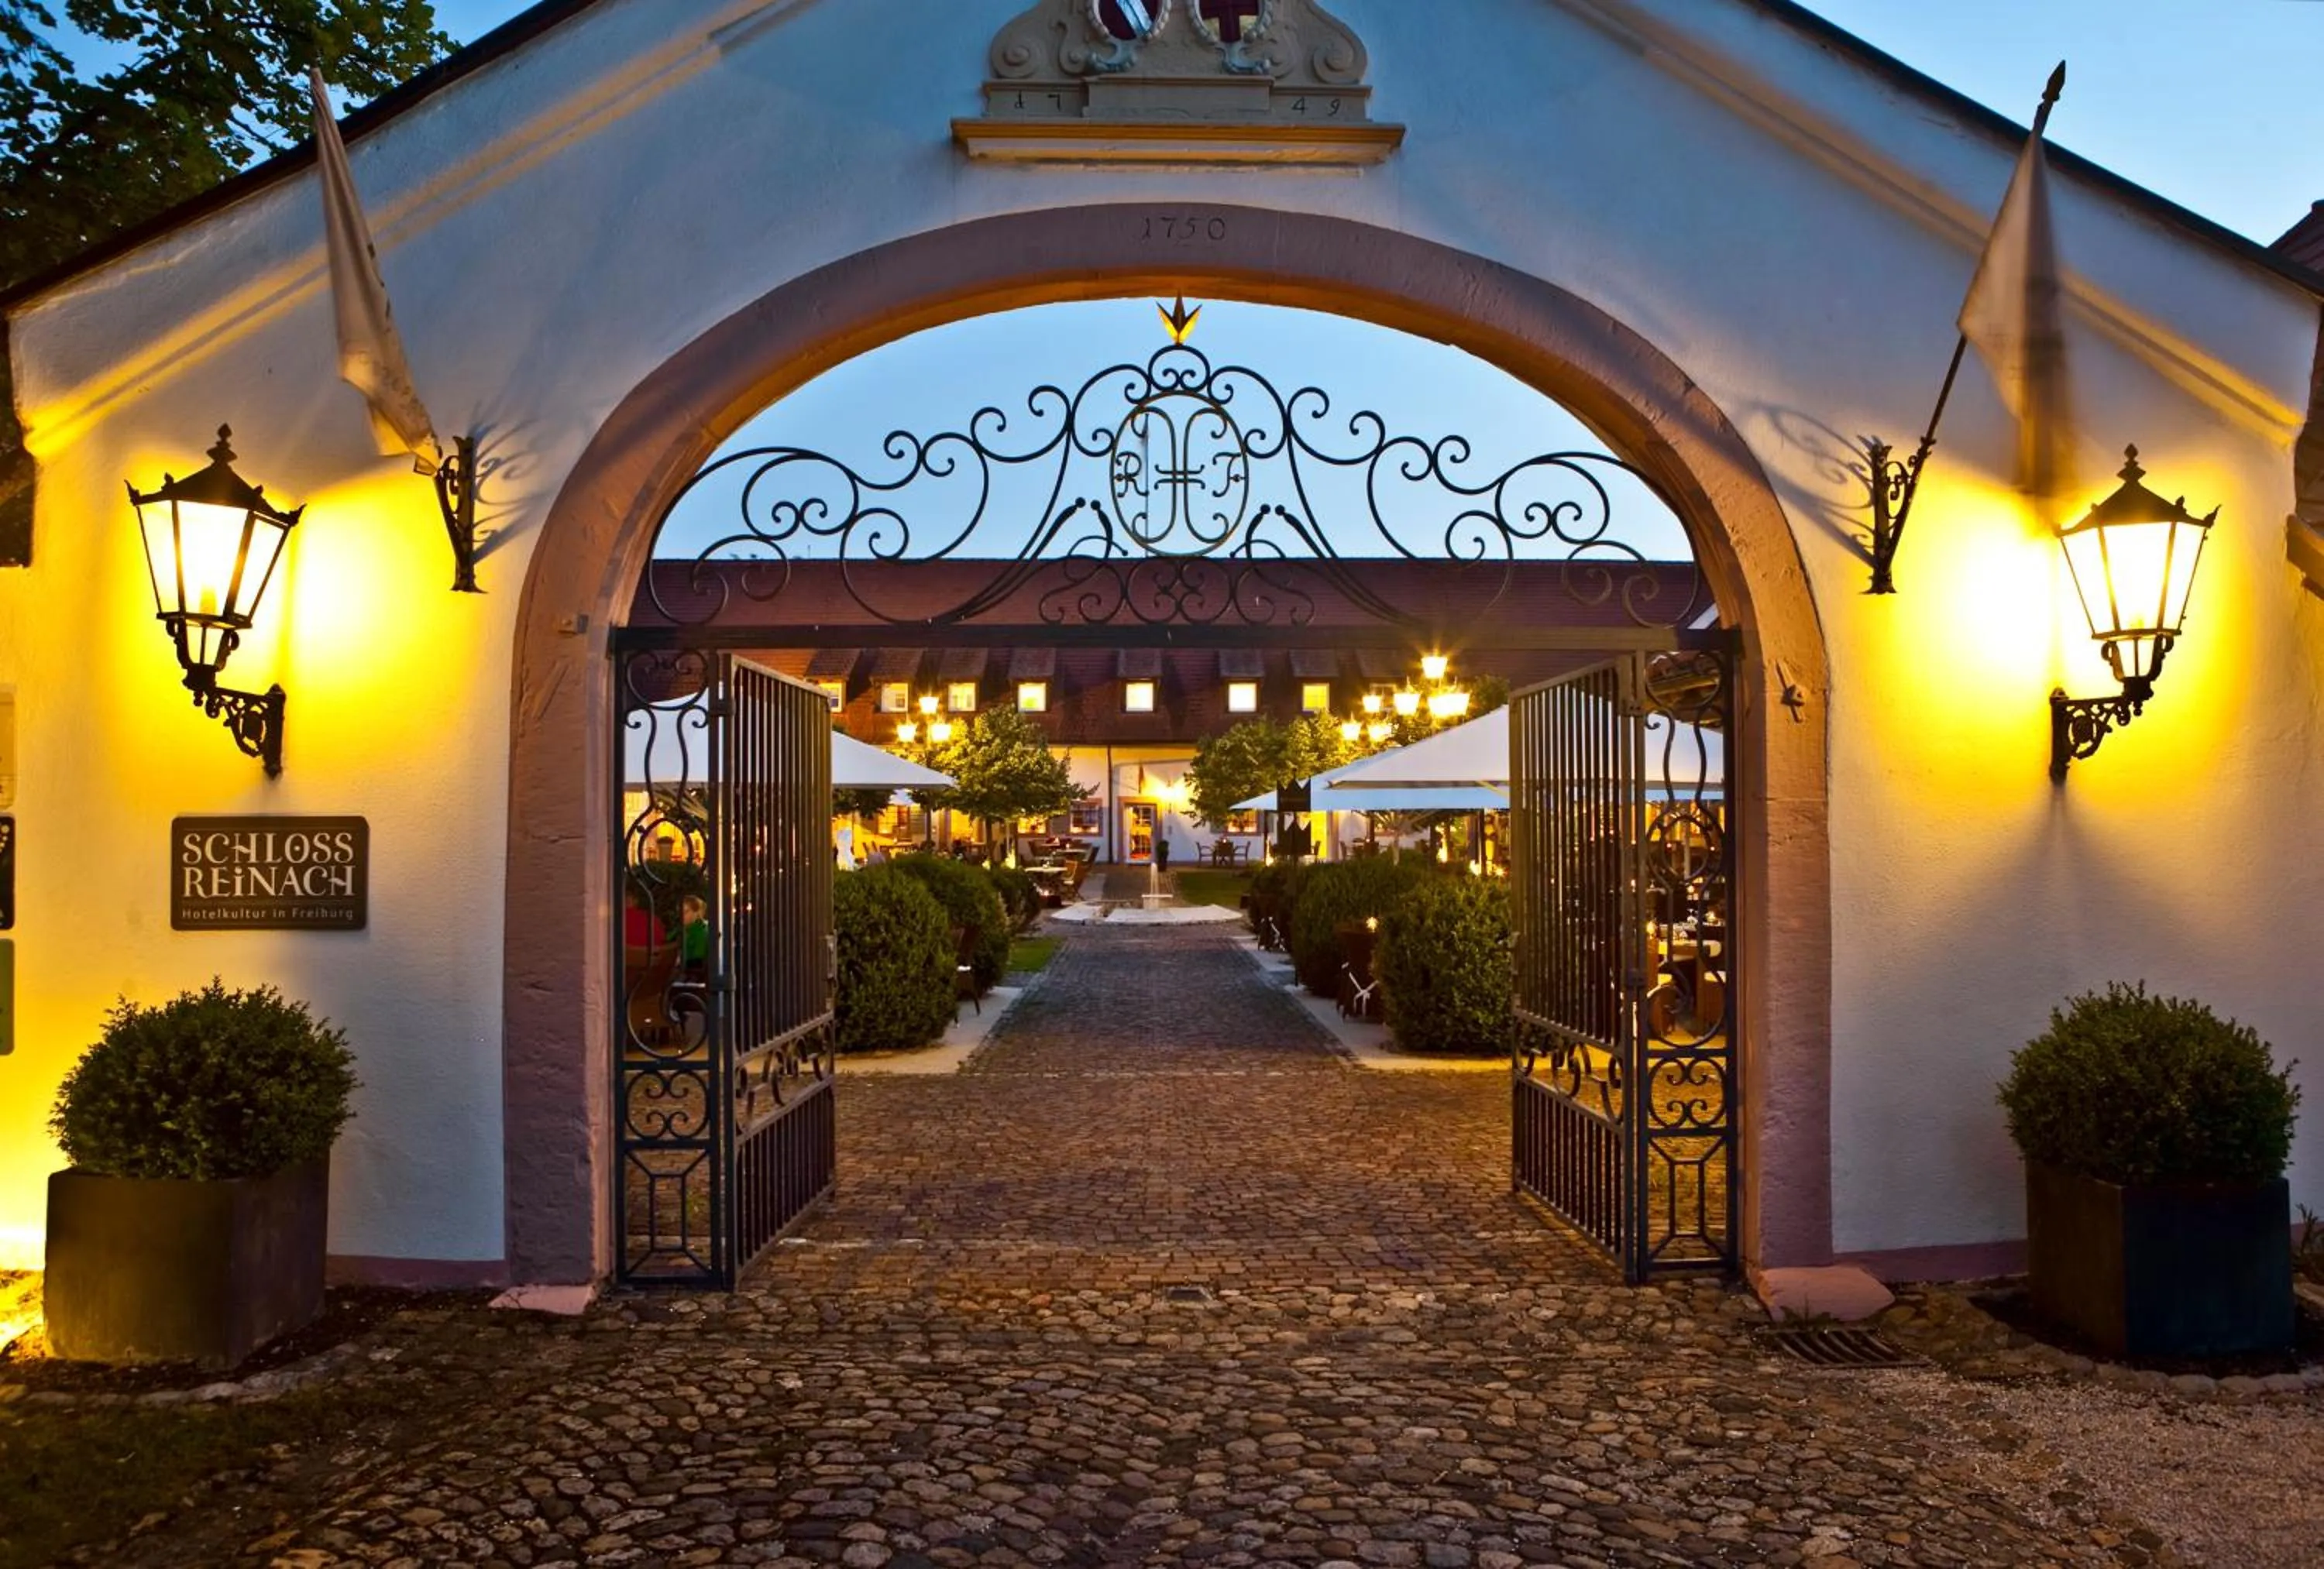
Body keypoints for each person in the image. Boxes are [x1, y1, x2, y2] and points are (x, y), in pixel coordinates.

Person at [679, 895, 710, 983]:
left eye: (686, 911)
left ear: (697, 913)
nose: (682, 915)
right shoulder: (682, 929)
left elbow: (697, 960)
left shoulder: (701, 931)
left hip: (691, 977)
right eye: (680, 912)